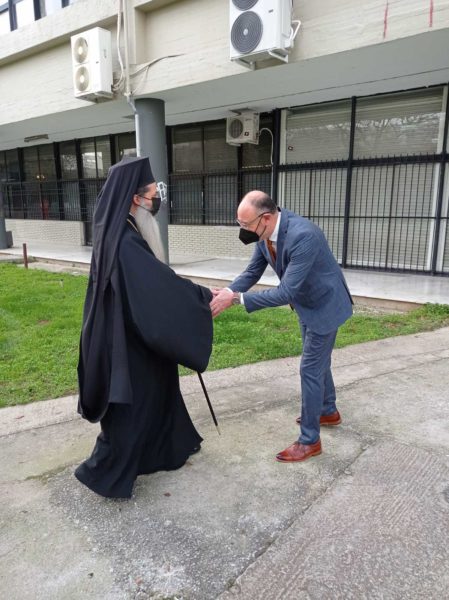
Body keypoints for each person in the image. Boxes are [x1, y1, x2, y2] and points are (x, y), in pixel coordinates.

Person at [75, 156, 213, 498]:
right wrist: (201, 296)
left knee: (159, 387)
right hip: (127, 341)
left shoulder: (121, 229)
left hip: (134, 330)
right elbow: (158, 288)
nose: (157, 200)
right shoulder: (125, 240)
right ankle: (104, 473)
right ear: (135, 199)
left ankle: (164, 449)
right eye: (153, 194)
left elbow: (154, 282)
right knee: (133, 404)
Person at [210, 191, 353, 463]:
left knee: (310, 369)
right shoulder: (265, 235)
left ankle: (309, 441)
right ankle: (328, 410)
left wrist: (237, 299)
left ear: (265, 218)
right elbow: (253, 271)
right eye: (240, 224)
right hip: (306, 304)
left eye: (246, 224)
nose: (243, 230)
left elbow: (285, 292)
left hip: (325, 305)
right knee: (318, 362)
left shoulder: (304, 235)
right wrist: (228, 291)